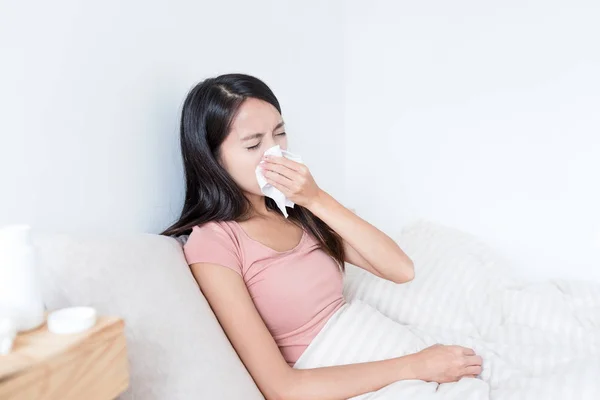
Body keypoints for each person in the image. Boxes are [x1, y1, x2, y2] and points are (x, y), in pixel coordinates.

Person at [163, 73, 483, 400]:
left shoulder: (296, 210)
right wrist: (413, 367)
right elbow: (282, 388)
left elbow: (401, 269)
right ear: (211, 158)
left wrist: (316, 198)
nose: (274, 153)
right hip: (357, 376)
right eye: (253, 144)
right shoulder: (214, 242)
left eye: (280, 134)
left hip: (388, 354)